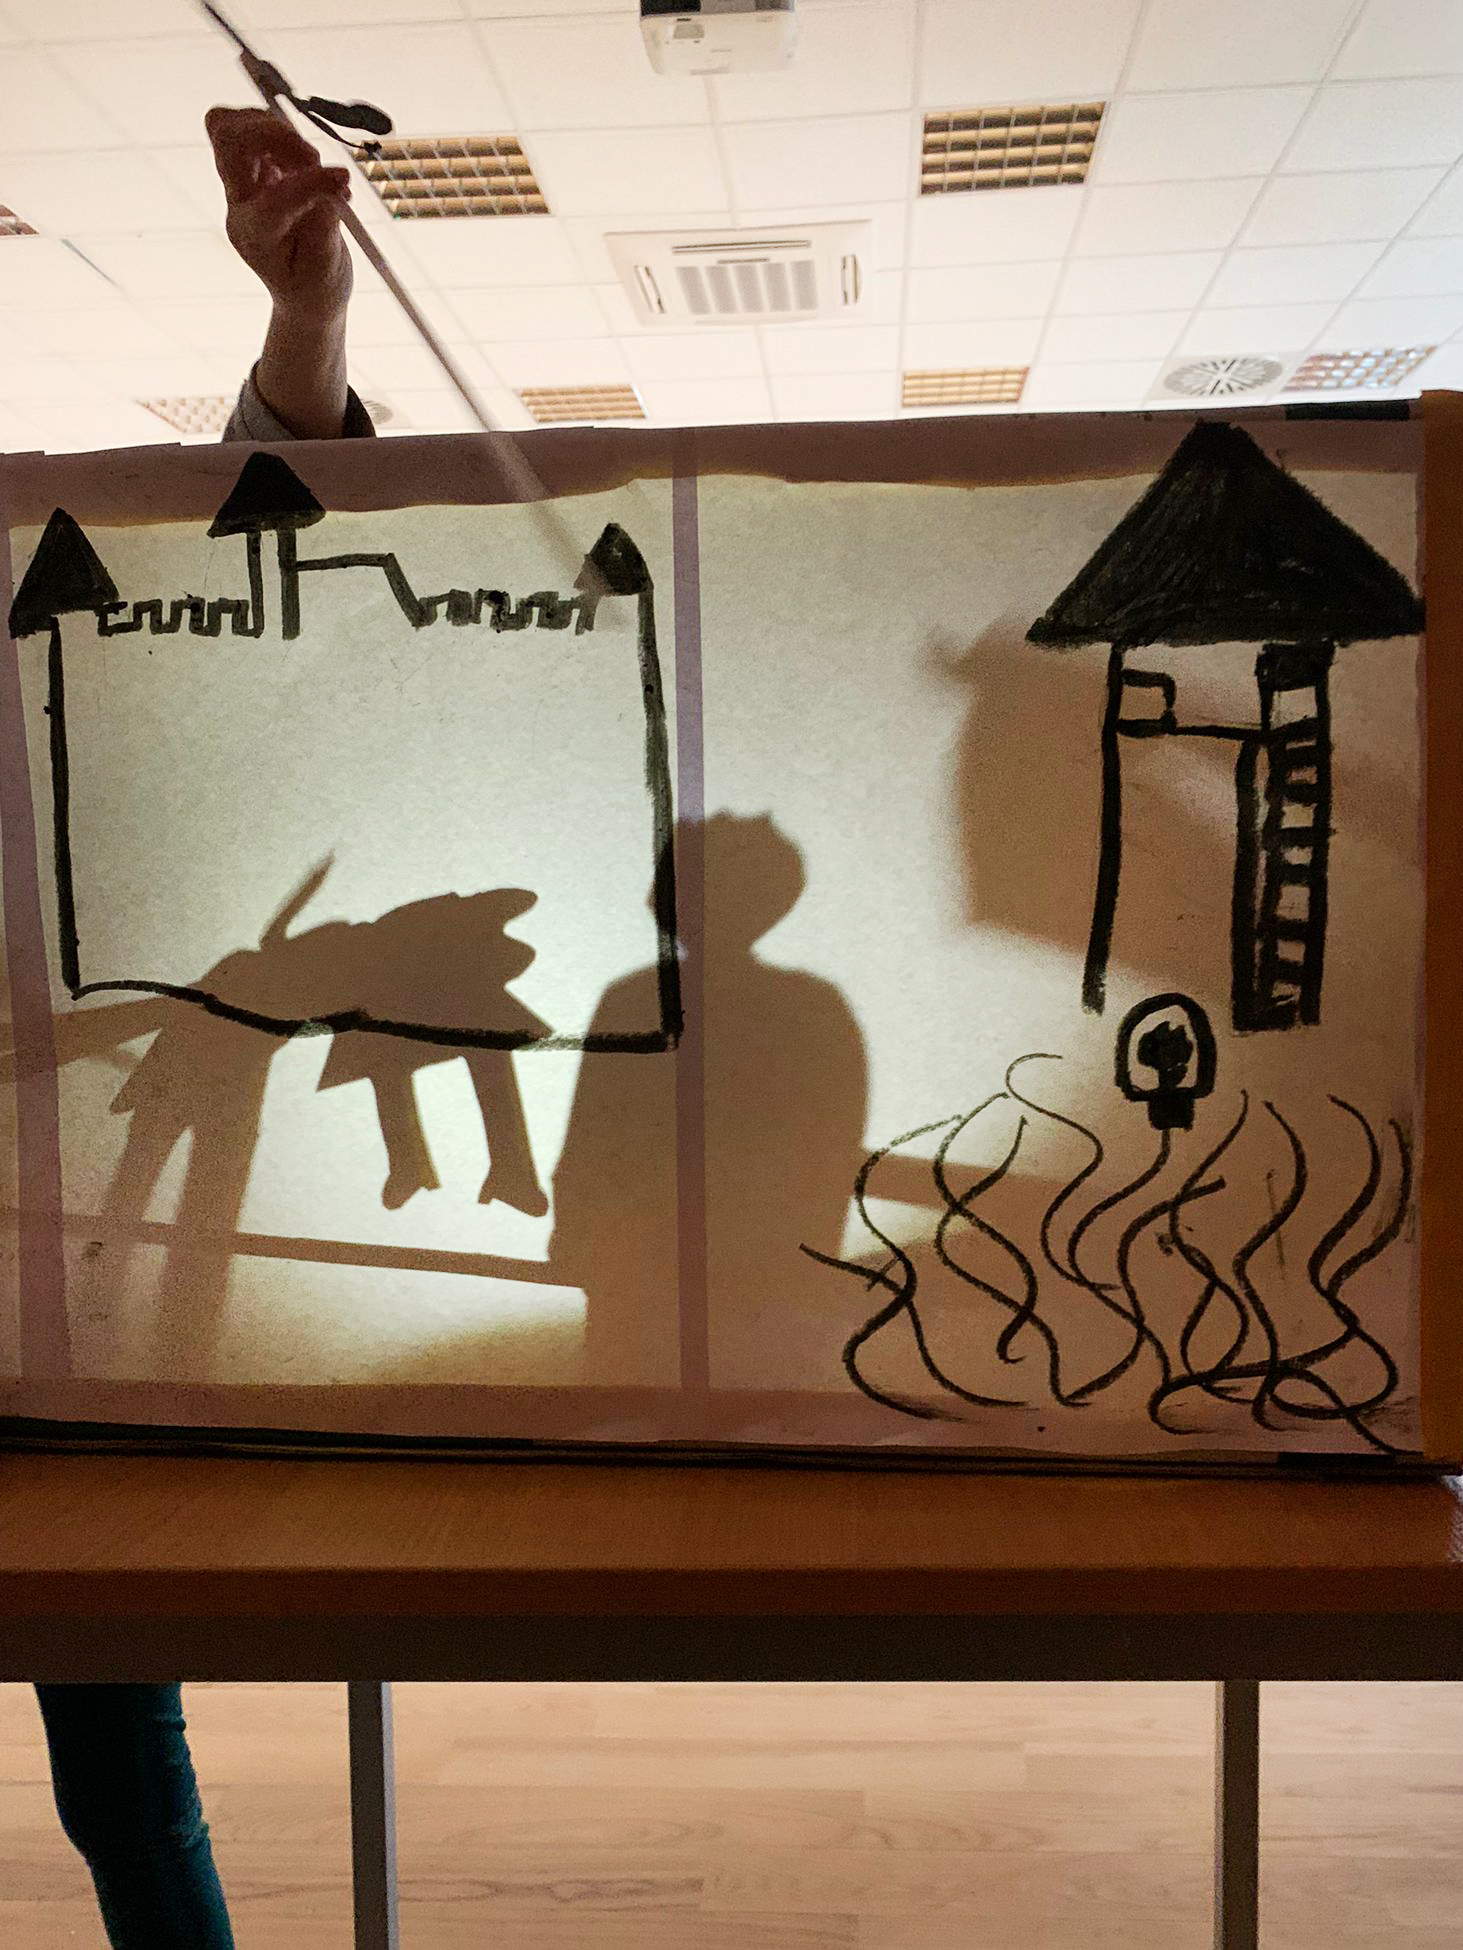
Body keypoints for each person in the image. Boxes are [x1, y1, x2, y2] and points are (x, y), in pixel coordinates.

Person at [34, 104, 369, 1950]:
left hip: (60, 1328)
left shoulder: (62, 637)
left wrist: (306, 324)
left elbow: (257, 567)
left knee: (121, 1782)